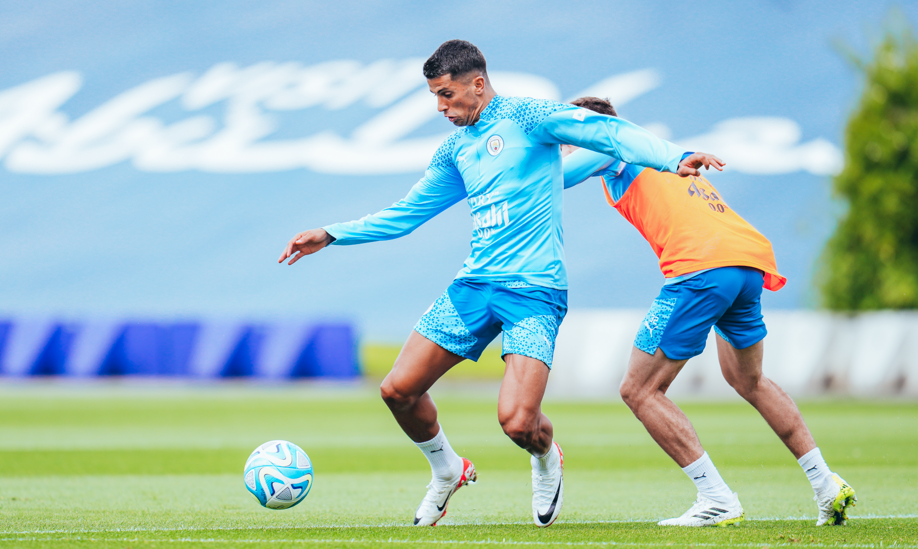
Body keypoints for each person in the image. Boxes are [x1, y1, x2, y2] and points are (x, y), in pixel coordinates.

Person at [278, 40, 721, 527]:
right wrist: (334, 233)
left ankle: (547, 456)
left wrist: (671, 156)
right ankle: (447, 470)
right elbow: (406, 215)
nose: (441, 107)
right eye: (435, 97)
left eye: (446, 95)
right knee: (397, 391)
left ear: (478, 84)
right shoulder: (454, 149)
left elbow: (601, 130)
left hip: (534, 293)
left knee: (517, 422)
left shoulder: (530, 117)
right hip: (474, 286)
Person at [561, 96, 856, 528]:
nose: (564, 145)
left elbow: (558, 177)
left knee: (638, 389)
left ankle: (716, 497)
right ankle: (826, 484)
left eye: (568, 136)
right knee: (748, 379)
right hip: (746, 262)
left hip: (701, 268)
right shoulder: (653, 153)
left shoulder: (613, 147)